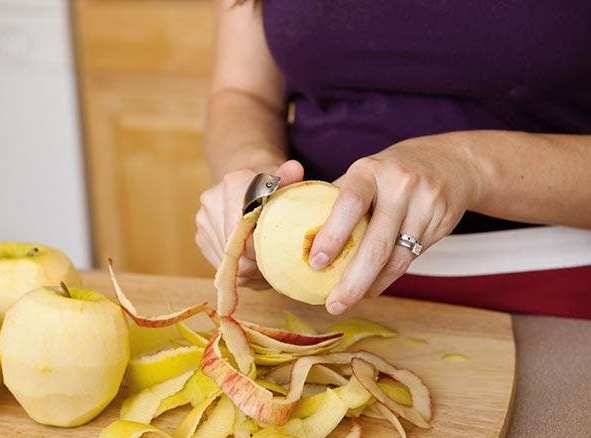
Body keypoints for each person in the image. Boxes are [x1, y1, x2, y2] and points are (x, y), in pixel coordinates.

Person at [195, 0, 591, 319]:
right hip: (314, 305)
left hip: (550, 302)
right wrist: (255, 183)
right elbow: (243, 94)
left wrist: (471, 166)